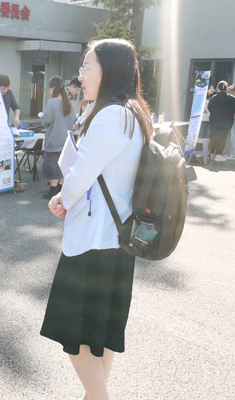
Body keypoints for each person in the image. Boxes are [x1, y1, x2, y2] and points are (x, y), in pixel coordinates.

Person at [41, 38, 152, 400]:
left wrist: (61, 198)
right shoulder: (133, 113)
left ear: (110, 70)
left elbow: (79, 176)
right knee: (100, 336)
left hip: (92, 242)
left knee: (76, 337)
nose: (81, 75)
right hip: (117, 241)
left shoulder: (110, 115)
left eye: (88, 66)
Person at [41, 76, 75, 199]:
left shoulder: (51, 103)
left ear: (53, 88)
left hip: (53, 140)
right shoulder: (69, 104)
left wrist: (42, 117)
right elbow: (73, 121)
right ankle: (60, 189)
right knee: (63, 167)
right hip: (66, 141)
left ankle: (52, 191)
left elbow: (46, 121)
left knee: (53, 167)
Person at [207, 80, 235, 162]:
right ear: (226, 89)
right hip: (226, 122)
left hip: (214, 122)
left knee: (213, 136)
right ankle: (218, 155)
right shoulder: (232, 99)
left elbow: (209, 108)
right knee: (222, 138)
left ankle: (211, 153)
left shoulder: (213, 98)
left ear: (218, 89)